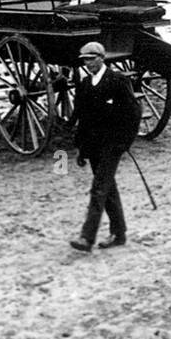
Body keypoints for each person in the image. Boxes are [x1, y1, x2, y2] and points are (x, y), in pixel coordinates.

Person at [68, 42, 142, 251]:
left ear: (102, 58)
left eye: (92, 59)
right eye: (85, 60)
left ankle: (86, 237)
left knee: (98, 188)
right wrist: (81, 149)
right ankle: (119, 234)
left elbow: (133, 114)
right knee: (107, 188)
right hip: (93, 145)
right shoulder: (83, 84)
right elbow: (82, 118)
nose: (88, 63)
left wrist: (124, 143)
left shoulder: (118, 81)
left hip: (112, 144)